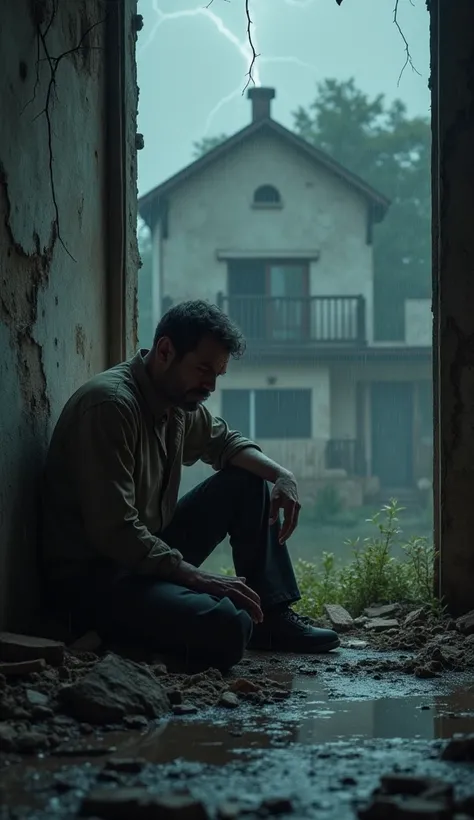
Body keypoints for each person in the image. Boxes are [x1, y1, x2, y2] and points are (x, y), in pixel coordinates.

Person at [42, 300, 339, 670]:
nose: (210, 385)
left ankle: (272, 619)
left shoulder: (178, 403)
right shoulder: (111, 406)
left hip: (139, 560)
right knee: (230, 625)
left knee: (249, 480)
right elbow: (114, 532)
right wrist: (201, 578)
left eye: (218, 374)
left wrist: (282, 475)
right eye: (202, 369)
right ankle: (113, 638)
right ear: (165, 351)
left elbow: (225, 443)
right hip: (94, 584)